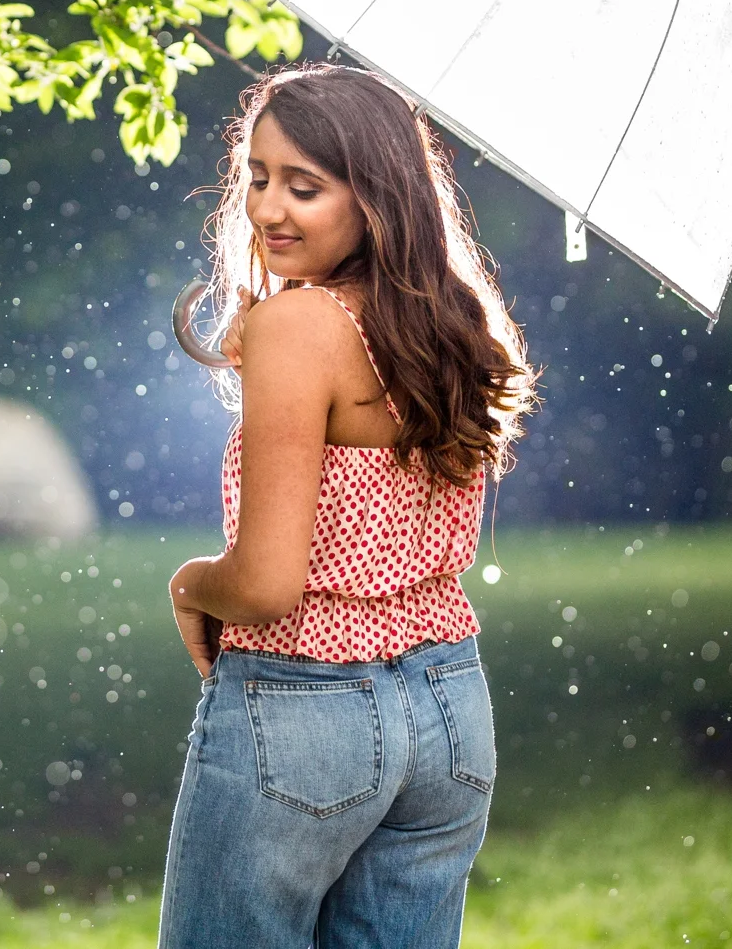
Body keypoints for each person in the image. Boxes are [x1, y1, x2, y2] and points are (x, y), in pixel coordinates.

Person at [158, 64, 535, 949]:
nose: (267, 208)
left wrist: (188, 584)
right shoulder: (453, 325)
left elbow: (264, 584)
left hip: (306, 708)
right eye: (256, 176)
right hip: (449, 707)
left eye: (305, 185)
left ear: (377, 197)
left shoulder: (300, 329)